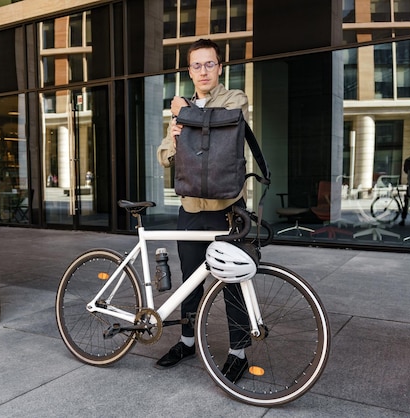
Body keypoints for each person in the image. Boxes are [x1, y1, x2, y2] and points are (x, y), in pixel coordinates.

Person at [156, 39, 250, 382]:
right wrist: (176, 133)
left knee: (232, 281)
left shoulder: (234, 98)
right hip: (191, 208)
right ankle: (186, 340)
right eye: (196, 65)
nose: (203, 71)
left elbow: (225, 122)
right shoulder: (184, 107)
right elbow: (165, 154)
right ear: (189, 70)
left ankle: (238, 352)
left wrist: (185, 115)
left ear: (220, 67)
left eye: (209, 64)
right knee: (190, 281)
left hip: (226, 208)